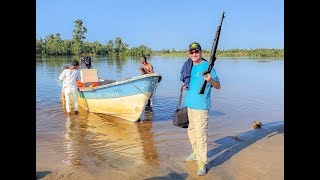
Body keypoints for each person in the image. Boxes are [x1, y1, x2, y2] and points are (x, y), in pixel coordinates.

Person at [180, 42, 221, 176]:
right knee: (191, 130)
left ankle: (202, 163)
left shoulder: (207, 66)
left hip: (201, 106)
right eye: (191, 52)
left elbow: (218, 86)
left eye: (196, 52)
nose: (194, 54)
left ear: (201, 52)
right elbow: (189, 81)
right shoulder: (189, 66)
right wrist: (186, 86)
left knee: (201, 134)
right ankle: (195, 152)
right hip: (190, 104)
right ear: (189, 54)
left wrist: (210, 80)